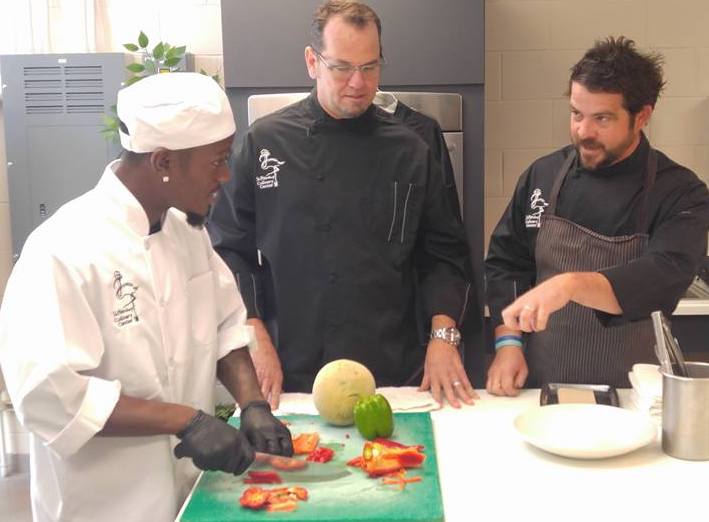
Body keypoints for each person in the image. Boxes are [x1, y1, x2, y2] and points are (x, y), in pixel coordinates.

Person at [0, 72, 292, 522]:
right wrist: (185, 420)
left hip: (187, 498)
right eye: (216, 161)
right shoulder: (62, 250)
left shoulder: (187, 234)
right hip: (101, 508)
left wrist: (251, 402)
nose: (227, 175)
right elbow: (48, 394)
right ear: (162, 162)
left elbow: (225, 326)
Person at [208, 0, 477, 408]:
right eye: (342, 67)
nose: (358, 82)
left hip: (394, 369)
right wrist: (254, 333)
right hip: (292, 368)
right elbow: (229, 249)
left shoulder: (412, 148)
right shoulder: (264, 143)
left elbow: (445, 253)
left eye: (370, 67)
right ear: (312, 62)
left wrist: (443, 338)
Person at [485, 37, 709, 395]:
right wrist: (508, 344)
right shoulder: (542, 176)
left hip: (636, 396)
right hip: (542, 388)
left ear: (643, 116)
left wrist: (570, 284)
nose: (583, 132)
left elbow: (664, 274)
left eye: (602, 118)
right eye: (576, 114)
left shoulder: (681, 192)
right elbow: (506, 264)